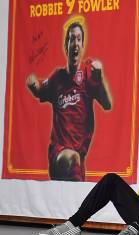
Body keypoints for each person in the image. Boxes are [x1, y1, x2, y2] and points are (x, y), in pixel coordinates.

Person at [26, 16, 112, 181]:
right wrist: (32, 84)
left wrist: (100, 79)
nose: (75, 43)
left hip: (78, 161)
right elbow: (40, 89)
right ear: (66, 46)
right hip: (59, 153)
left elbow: (107, 105)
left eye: (79, 39)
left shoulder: (88, 74)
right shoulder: (57, 78)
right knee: (72, 158)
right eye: (72, 39)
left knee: (70, 195)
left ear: (82, 45)